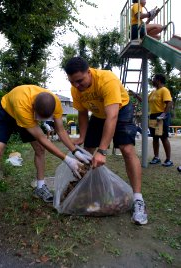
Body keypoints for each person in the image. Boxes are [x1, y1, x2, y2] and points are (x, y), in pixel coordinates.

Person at [0, 85, 92, 220]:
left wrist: (75, 151)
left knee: (39, 149)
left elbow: (60, 131)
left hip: (26, 112)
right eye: (39, 117)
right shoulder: (23, 105)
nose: (41, 120)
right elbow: (42, 138)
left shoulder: (56, 104)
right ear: (33, 107)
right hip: (5, 113)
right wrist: (67, 159)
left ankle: (40, 187)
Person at [63, 56, 148, 225]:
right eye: (73, 82)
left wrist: (102, 150)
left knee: (126, 148)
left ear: (89, 71)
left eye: (79, 81)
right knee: (87, 150)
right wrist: (82, 136)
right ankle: (87, 190)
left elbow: (112, 116)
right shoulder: (76, 89)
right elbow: (81, 113)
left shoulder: (106, 80)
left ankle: (138, 200)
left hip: (120, 109)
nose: (77, 86)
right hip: (98, 114)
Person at [148, 74, 173, 167]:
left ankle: (168, 160)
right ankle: (156, 157)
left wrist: (163, 114)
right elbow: (145, 101)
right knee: (155, 138)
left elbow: (169, 102)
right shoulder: (153, 92)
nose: (152, 81)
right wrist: (135, 94)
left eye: (153, 79)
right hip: (153, 116)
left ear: (158, 80)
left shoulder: (164, 90)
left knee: (163, 137)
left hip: (160, 116)